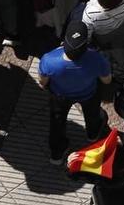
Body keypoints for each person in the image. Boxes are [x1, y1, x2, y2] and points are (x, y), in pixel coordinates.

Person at [39, 25, 113, 165]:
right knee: (93, 114)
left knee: (57, 122)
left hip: (60, 95)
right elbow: (107, 80)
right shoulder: (97, 59)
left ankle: (57, 153)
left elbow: (43, 82)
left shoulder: (49, 59)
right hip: (88, 93)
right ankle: (92, 134)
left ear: (64, 42)